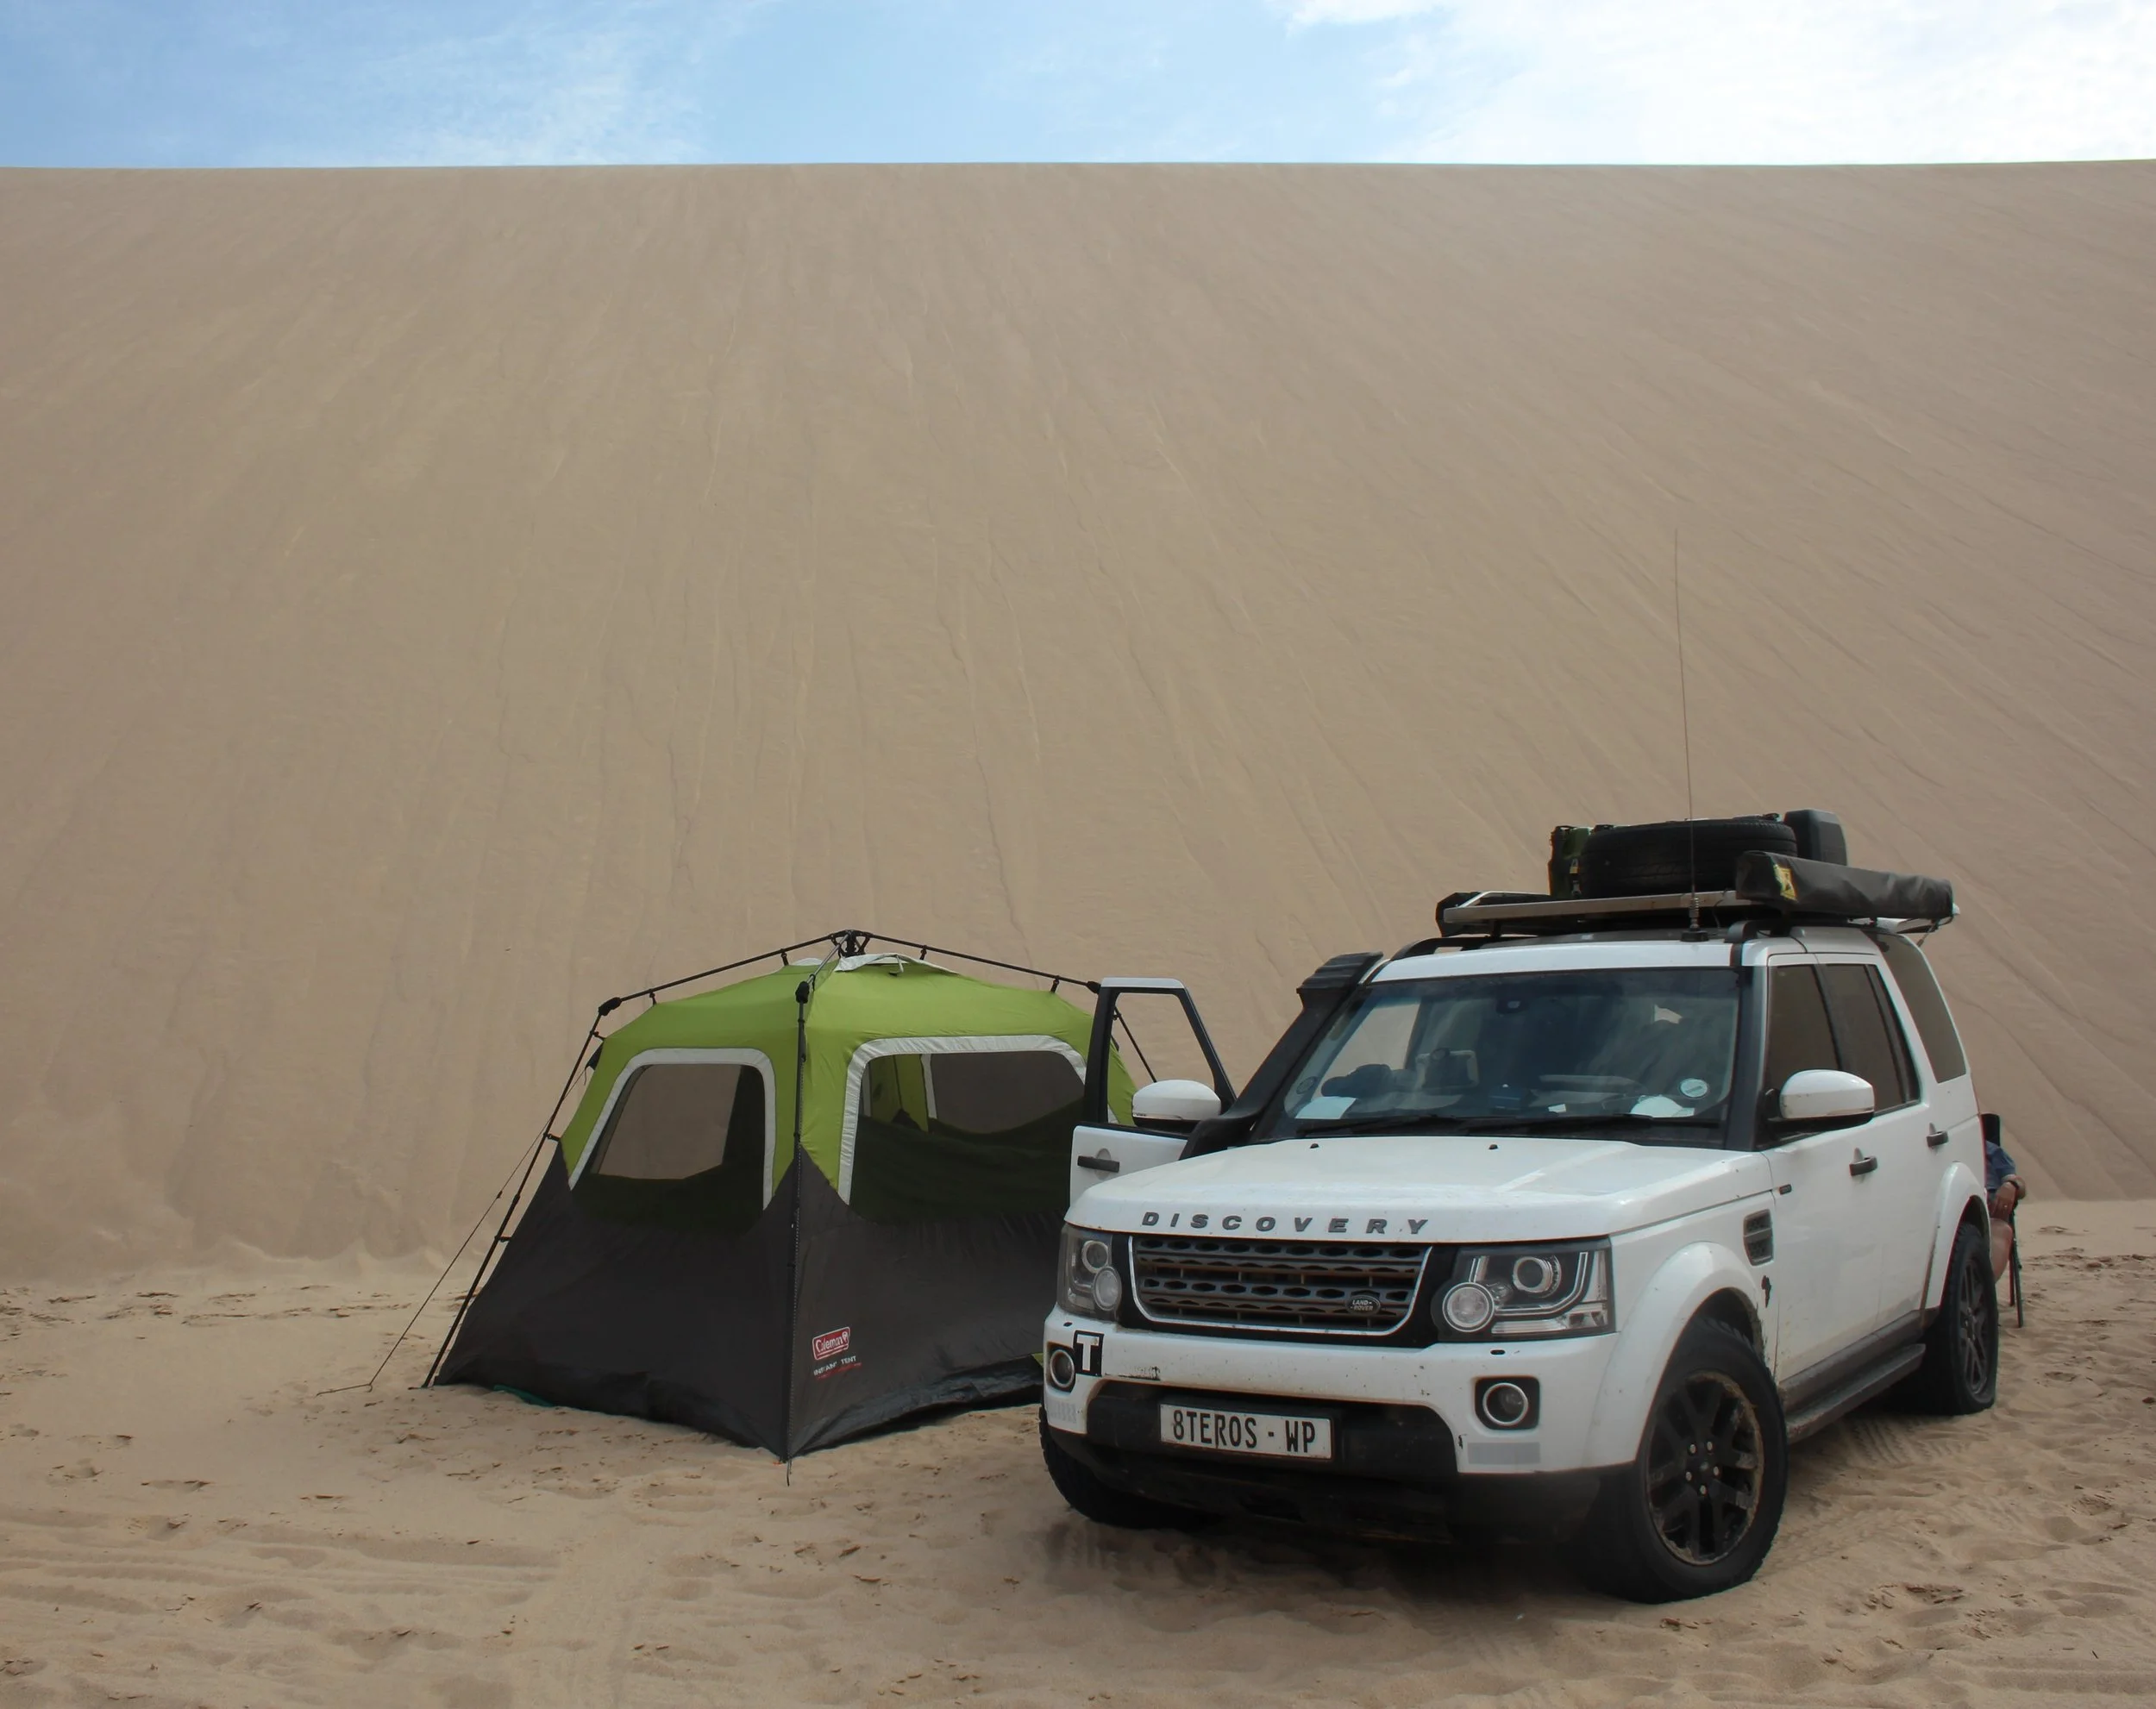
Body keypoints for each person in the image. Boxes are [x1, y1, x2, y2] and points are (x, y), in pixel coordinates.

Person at [1984, 1112, 2026, 1282]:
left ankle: (1981, 1290)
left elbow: (2020, 1185)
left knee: (2001, 1229)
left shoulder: (1990, 1150)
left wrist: (2011, 1186)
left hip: (1990, 1217)